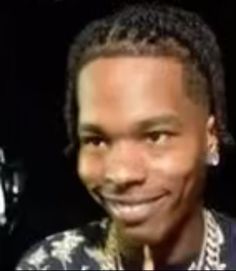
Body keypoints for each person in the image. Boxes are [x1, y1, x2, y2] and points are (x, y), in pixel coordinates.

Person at [16, 3, 236, 270]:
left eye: (155, 136)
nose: (121, 174)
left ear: (209, 137)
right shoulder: (48, 265)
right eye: (96, 140)